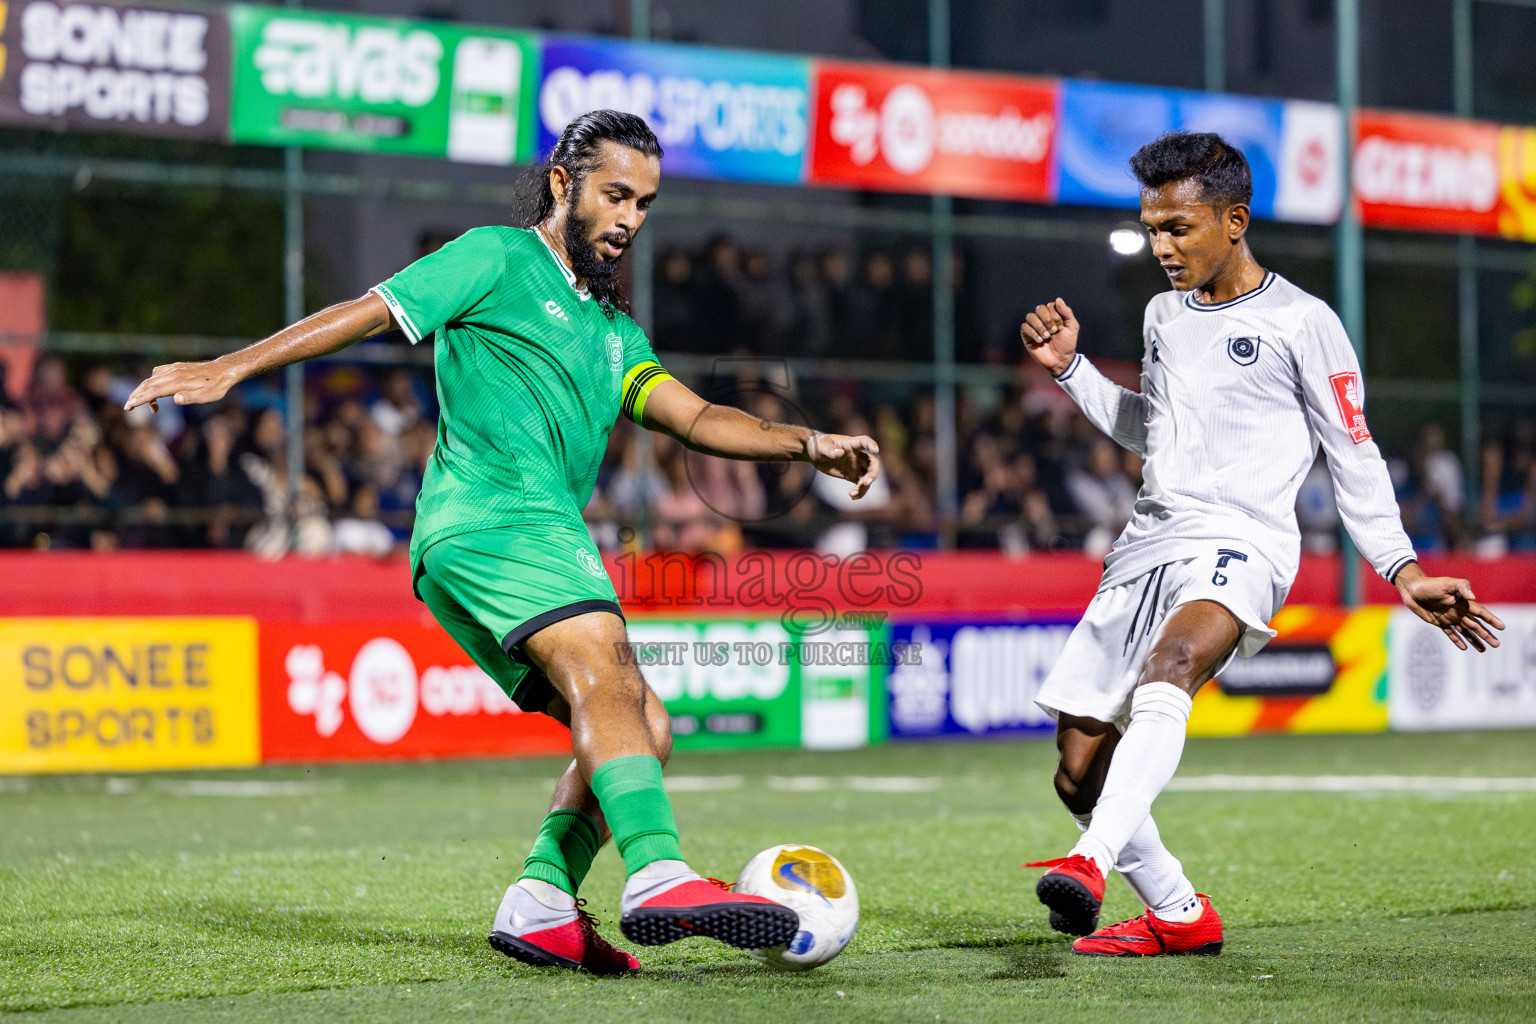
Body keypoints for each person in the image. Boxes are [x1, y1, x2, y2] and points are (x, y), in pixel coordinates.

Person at [124, 110, 881, 975]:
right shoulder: (496, 258)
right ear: (564, 185)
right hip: (496, 516)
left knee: (646, 723)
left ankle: (542, 902)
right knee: (607, 664)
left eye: (645, 202)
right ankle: (658, 873)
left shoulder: (613, 336)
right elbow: (369, 312)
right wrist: (231, 367)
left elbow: (699, 418)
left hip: (487, 545)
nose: (630, 218)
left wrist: (807, 443)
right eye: (615, 194)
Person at [1016, 130, 1505, 958]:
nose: (1162, 247)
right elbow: (1158, 431)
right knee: (1075, 768)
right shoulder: (1162, 316)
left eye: (1180, 228)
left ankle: (1088, 862)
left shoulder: (1301, 322)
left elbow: (1354, 450)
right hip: (1150, 541)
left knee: (1171, 667)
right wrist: (1074, 373)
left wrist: (1404, 568)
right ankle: (1177, 912)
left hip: (1243, 542)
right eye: (1152, 228)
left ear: (1233, 220)